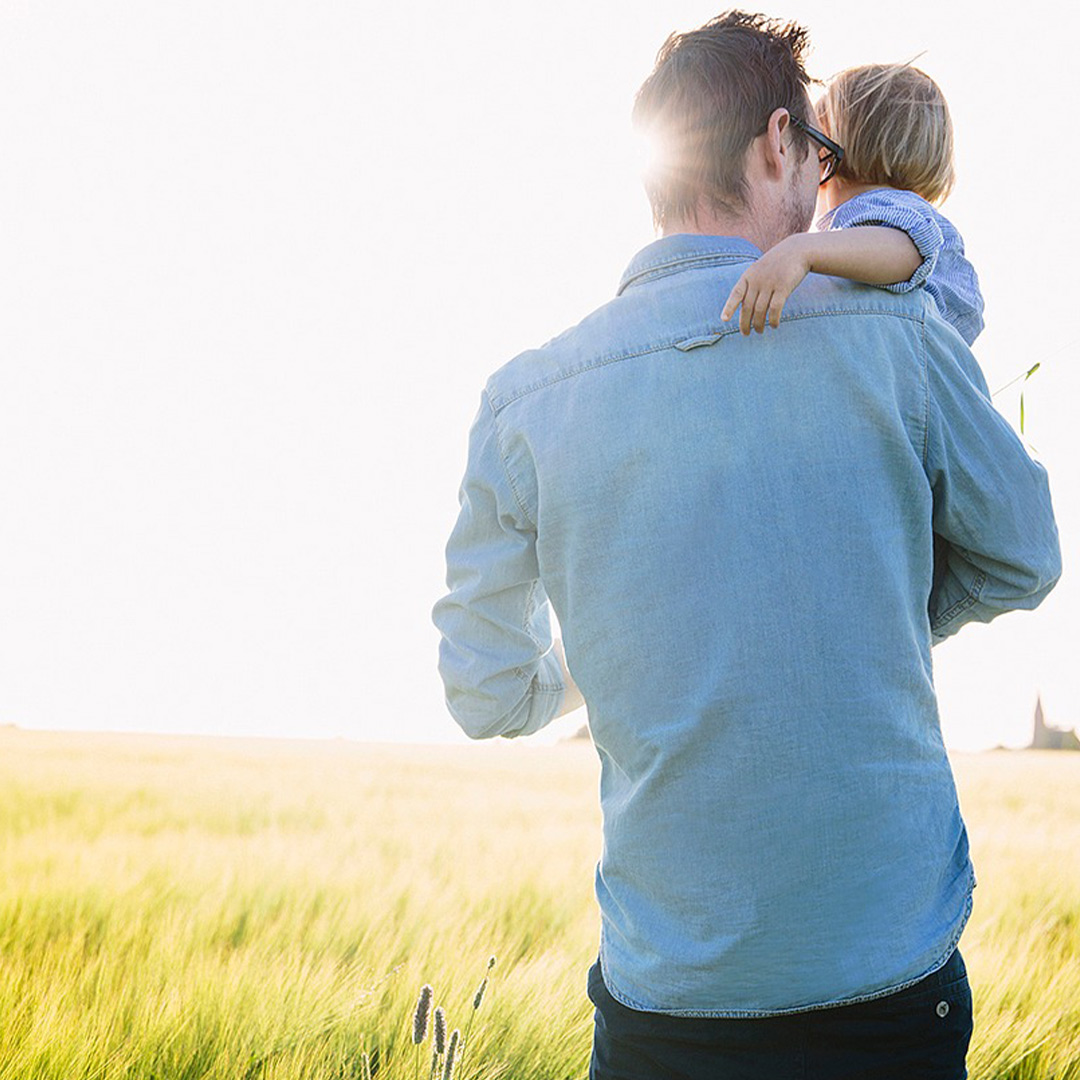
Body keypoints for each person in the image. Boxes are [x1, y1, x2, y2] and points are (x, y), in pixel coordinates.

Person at [432, 11, 1061, 1079]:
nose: (823, 188)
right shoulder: (903, 334)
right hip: (886, 989)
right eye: (819, 159)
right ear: (779, 142)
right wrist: (861, 606)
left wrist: (628, 637)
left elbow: (487, 692)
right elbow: (1024, 554)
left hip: (667, 1007)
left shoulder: (526, 402)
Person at [720, 62, 984, 344]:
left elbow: (910, 248)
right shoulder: (869, 222)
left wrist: (800, 250)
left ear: (826, 154)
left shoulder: (883, 207)